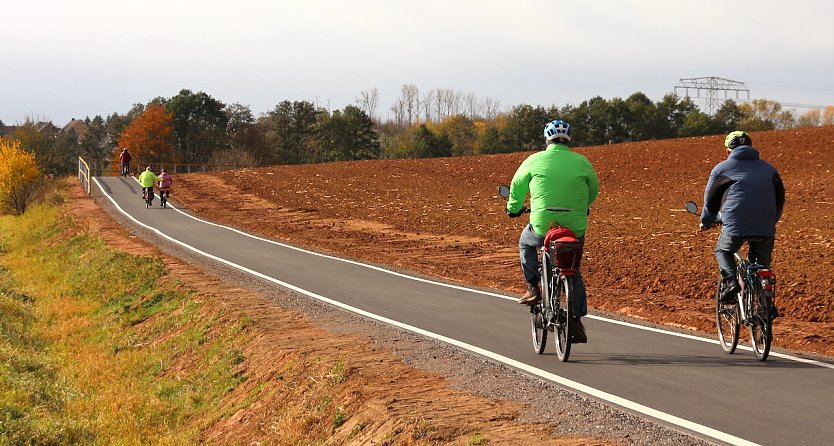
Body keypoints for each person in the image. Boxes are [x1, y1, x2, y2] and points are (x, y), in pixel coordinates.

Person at [506, 120, 599, 342]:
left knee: (526, 242)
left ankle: (532, 287)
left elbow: (517, 186)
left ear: (547, 139)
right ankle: (575, 321)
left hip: (542, 224)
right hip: (574, 226)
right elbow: (593, 190)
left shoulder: (534, 160)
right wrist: (582, 206)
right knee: (573, 269)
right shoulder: (582, 162)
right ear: (569, 140)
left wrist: (513, 208)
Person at [700, 131, 785, 314]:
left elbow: (711, 202)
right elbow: (780, 199)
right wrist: (771, 221)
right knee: (762, 267)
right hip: (766, 226)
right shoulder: (770, 170)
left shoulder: (721, 169)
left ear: (728, 151)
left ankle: (731, 282)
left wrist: (706, 221)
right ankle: (766, 306)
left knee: (723, 250)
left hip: (735, 225)